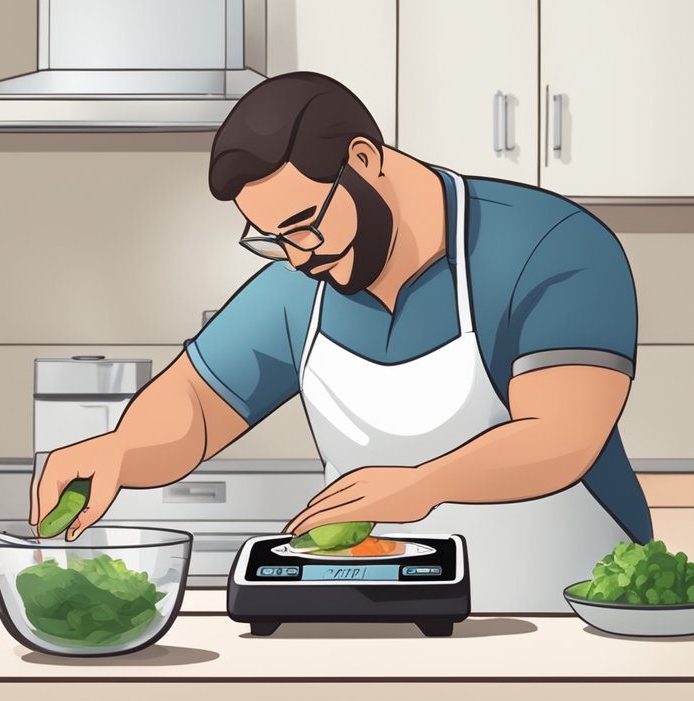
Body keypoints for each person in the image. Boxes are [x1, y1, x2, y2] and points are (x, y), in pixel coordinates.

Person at [32, 71, 649, 612]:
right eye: (274, 239)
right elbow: (194, 405)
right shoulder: (302, 286)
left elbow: (564, 433)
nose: (298, 259)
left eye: (304, 226)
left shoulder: (551, 244)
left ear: (363, 159)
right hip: (382, 614)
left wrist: (422, 483)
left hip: (567, 611)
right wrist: (121, 449)